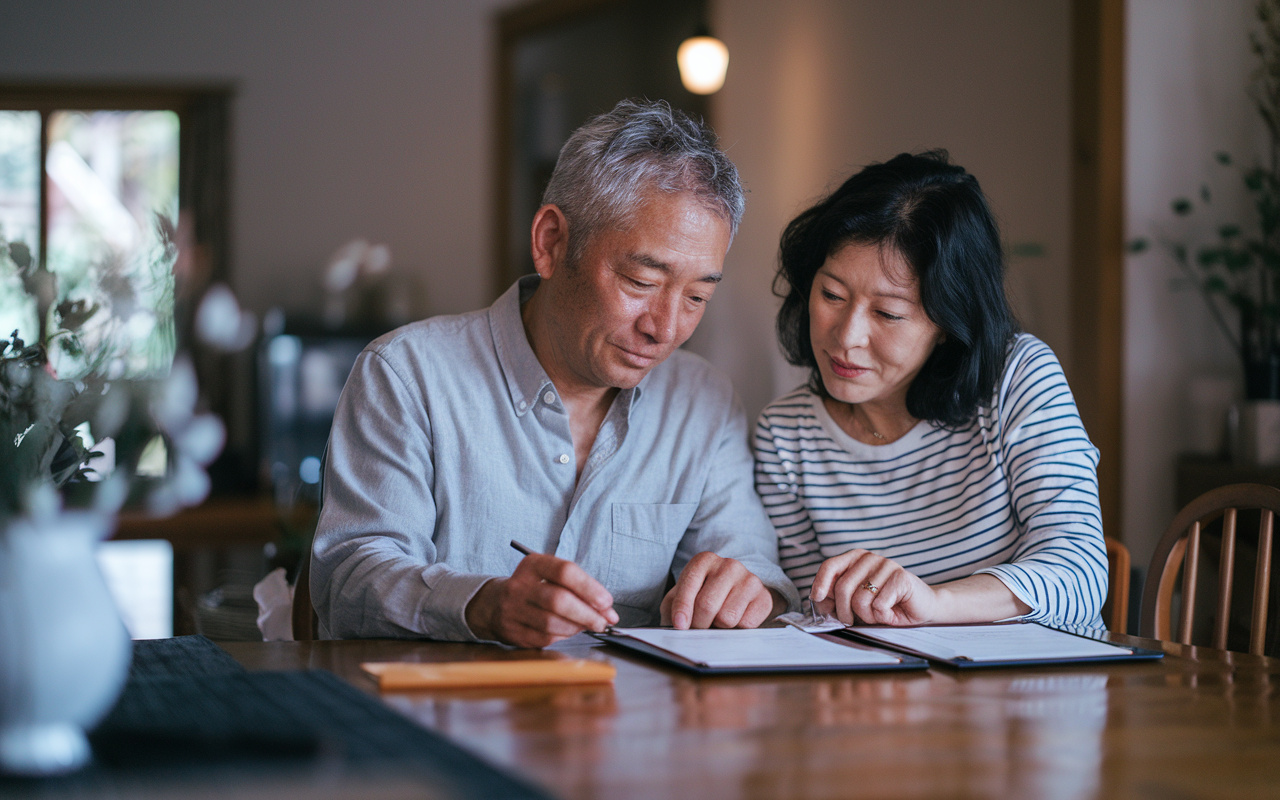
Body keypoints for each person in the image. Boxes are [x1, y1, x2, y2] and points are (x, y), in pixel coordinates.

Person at [312, 99, 799, 647]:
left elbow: (751, 562)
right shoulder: (406, 376)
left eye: (697, 296)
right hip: (446, 717)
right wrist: (480, 605)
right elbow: (349, 579)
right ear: (550, 243)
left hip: (633, 723)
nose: (664, 328)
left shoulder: (701, 399)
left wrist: (748, 589)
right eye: (641, 282)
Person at [754, 151, 1106, 630]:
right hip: (880, 698)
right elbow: (808, 615)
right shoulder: (786, 433)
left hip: (1028, 692)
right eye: (832, 295)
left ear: (947, 321)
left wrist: (934, 603)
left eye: (888, 314)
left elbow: (1079, 575)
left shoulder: (1017, 378)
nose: (846, 336)